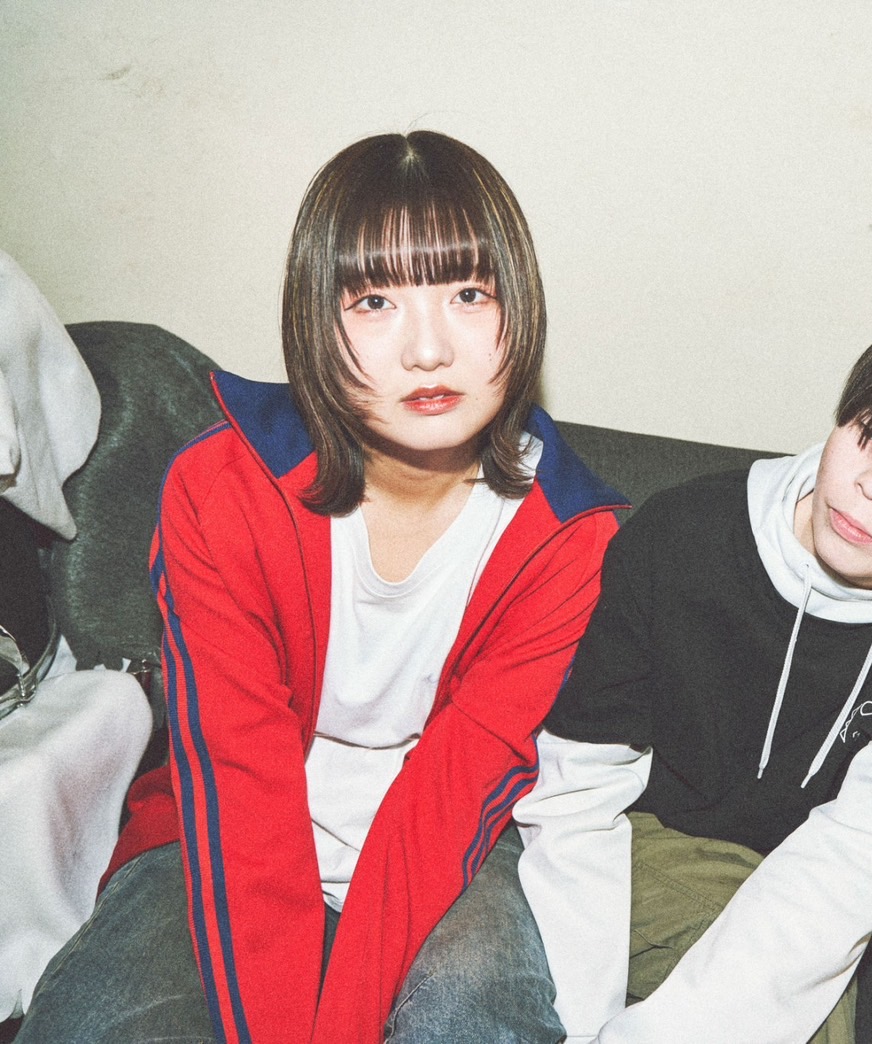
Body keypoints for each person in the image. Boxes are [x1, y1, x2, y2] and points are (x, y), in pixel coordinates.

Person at [18, 131, 623, 1044]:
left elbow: (450, 794)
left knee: (471, 1020)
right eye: (375, 301)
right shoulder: (222, 490)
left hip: (452, 843)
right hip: (224, 828)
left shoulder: (570, 538)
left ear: (520, 307)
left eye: (468, 294)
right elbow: (242, 791)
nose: (429, 349)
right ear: (315, 320)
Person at [512, 309, 872, 1043]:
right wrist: (583, 1022)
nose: (871, 483)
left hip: (810, 882)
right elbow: (578, 788)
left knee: (810, 995)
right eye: (868, 431)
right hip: (628, 843)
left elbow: (867, 846)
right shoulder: (688, 532)